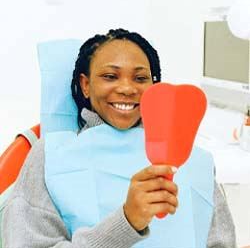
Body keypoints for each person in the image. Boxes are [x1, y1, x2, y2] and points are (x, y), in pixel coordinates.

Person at [2, 29, 236, 248]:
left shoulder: (197, 162)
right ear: (85, 85)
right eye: (110, 76)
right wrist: (126, 222)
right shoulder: (48, 157)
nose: (126, 88)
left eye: (140, 78)